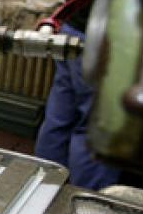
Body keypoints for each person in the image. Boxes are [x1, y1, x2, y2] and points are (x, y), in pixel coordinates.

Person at [35, 23, 120, 190]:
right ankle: (87, 206)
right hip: (104, 34)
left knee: (59, 120)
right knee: (96, 129)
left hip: (73, 29)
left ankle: (44, 190)